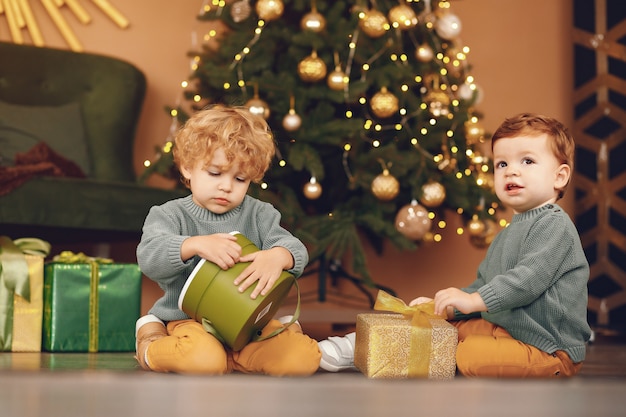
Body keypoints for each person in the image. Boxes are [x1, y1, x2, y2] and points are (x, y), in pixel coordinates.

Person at [318, 113, 592, 377]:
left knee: (469, 354)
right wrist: (451, 306)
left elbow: (526, 282)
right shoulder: (508, 233)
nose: (512, 172)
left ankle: (399, 353)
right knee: (444, 326)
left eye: (528, 161)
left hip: (547, 348)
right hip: (506, 332)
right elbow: (483, 284)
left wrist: (474, 301)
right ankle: (367, 347)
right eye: (502, 164)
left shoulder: (555, 226)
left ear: (559, 177)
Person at [135, 105, 321, 376]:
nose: (226, 186)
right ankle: (150, 342)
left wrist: (278, 256)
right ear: (188, 168)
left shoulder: (260, 214)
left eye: (240, 178)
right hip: (189, 323)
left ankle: (231, 358)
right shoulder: (169, 214)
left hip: (247, 326)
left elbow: (296, 250)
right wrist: (194, 245)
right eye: (214, 173)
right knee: (202, 360)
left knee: (303, 359)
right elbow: (149, 257)